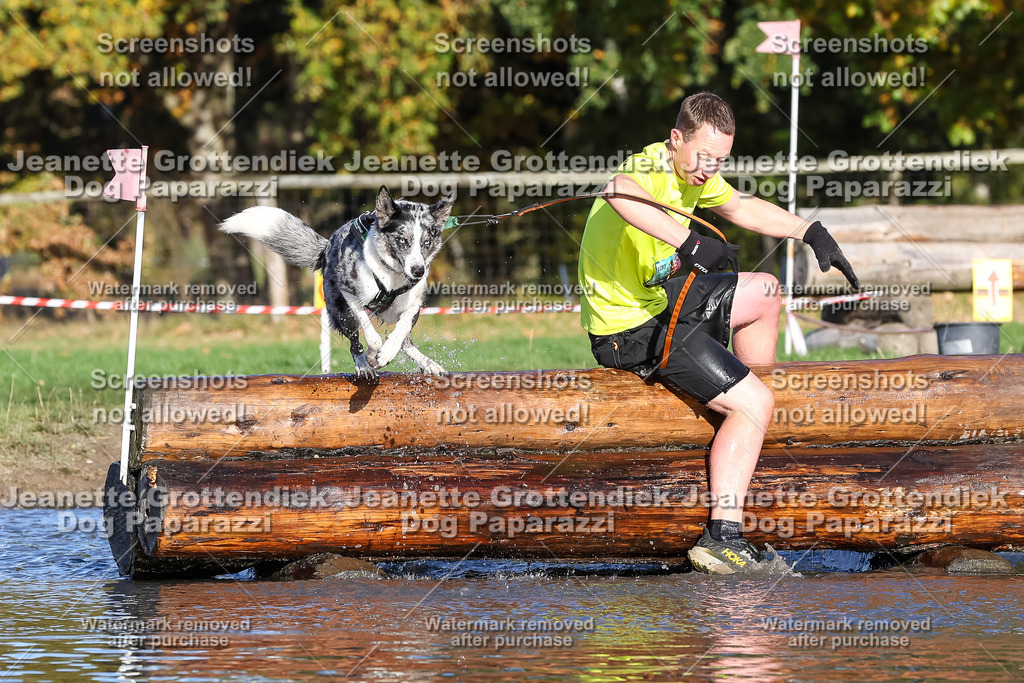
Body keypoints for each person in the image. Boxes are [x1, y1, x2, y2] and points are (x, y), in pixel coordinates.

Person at [578, 91, 860, 574]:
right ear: (675, 139)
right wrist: (688, 241)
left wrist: (810, 230)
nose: (709, 169)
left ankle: (746, 428)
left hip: (664, 305)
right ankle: (721, 535)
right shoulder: (649, 168)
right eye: (704, 157)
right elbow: (617, 191)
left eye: (720, 160)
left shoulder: (694, 172)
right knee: (755, 404)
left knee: (767, 291)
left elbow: (742, 207)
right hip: (629, 331)